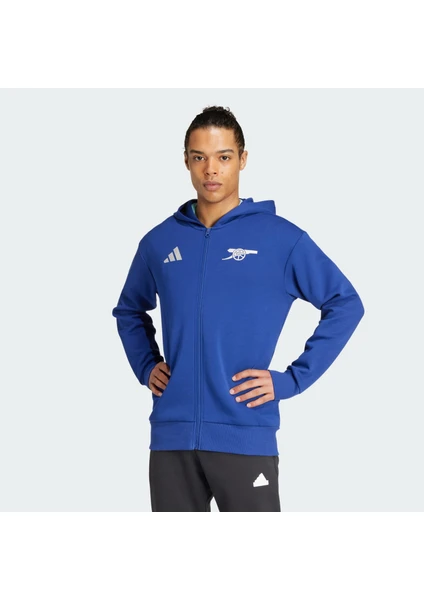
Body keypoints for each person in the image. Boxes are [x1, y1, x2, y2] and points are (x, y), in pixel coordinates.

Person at [111, 105, 365, 512]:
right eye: (199, 157)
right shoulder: (159, 242)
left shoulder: (281, 239)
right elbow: (129, 310)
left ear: (242, 159)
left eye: (224, 157)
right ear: (186, 161)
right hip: (172, 439)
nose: (211, 169)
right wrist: (146, 365)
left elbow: (346, 303)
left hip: (245, 434)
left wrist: (292, 381)